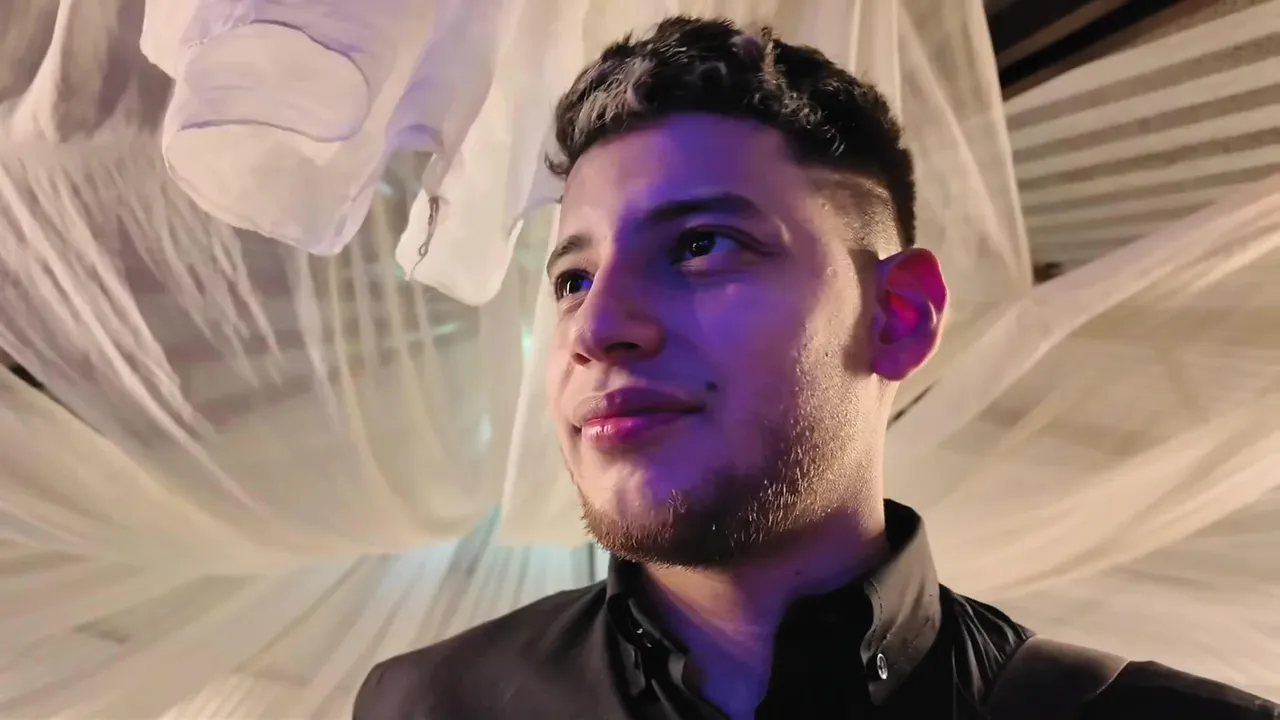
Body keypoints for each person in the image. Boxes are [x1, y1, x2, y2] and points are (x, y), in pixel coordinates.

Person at [355, 16, 1280, 720]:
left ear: (899, 316)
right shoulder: (427, 705)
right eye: (572, 279)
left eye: (701, 245)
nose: (596, 327)